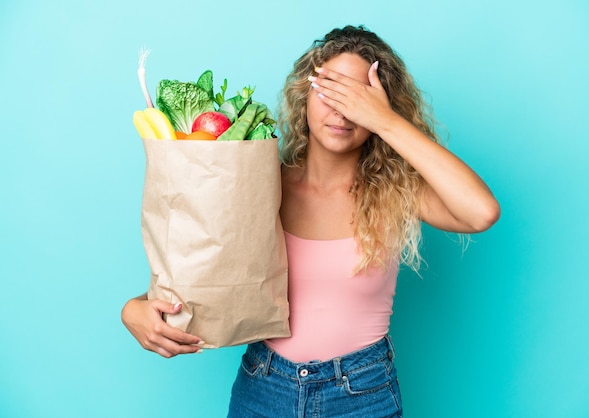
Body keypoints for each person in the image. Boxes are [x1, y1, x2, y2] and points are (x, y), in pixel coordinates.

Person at [122, 25, 500, 417]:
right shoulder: (259, 185)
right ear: (305, 96)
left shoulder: (394, 193)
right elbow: (202, 274)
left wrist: (384, 120)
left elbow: (480, 211)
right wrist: (134, 308)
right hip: (263, 388)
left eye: (358, 98)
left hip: (362, 394)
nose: (342, 110)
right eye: (330, 91)